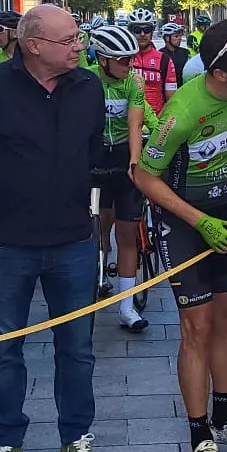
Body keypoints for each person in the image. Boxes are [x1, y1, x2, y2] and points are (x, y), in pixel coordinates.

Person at [0, 4, 105, 452]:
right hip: (6, 244)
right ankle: (6, 442)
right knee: (2, 348)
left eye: (79, 37)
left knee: (77, 348)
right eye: (70, 39)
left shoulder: (88, 88)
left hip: (74, 241)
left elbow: (94, 150)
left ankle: (76, 437)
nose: (79, 46)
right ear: (33, 45)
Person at [134, 21, 227, 452]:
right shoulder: (184, 109)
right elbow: (143, 176)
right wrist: (199, 221)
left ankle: (225, 416)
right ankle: (200, 437)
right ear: (220, 74)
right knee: (197, 325)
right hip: (186, 218)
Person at [86, 25, 153, 332]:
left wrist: (136, 162)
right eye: (123, 60)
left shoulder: (134, 83)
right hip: (94, 157)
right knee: (92, 229)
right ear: (102, 60)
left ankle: (127, 308)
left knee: (127, 234)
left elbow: (135, 123)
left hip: (124, 155)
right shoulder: (85, 80)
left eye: (131, 59)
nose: (129, 65)